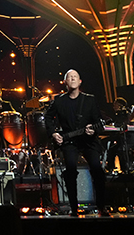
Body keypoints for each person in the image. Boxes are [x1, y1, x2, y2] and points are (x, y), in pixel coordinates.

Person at [44, 69, 109, 217]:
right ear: (65, 82)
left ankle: (101, 207)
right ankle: (74, 208)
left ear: (80, 82)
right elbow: (47, 117)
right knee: (71, 171)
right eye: (69, 77)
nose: (72, 79)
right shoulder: (59, 100)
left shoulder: (89, 99)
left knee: (97, 171)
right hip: (69, 141)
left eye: (75, 77)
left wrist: (93, 130)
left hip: (88, 141)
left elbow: (98, 120)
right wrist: (54, 133)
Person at [105, 97, 134, 173]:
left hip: (129, 139)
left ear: (120, 106)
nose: (113, 107)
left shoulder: (126, 115)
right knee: (112, 149)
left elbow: (122, 125)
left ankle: (125, 169)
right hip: (122, 139)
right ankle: (110, 167)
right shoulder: (119, 115)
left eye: (115, 105)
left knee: (121, 150)